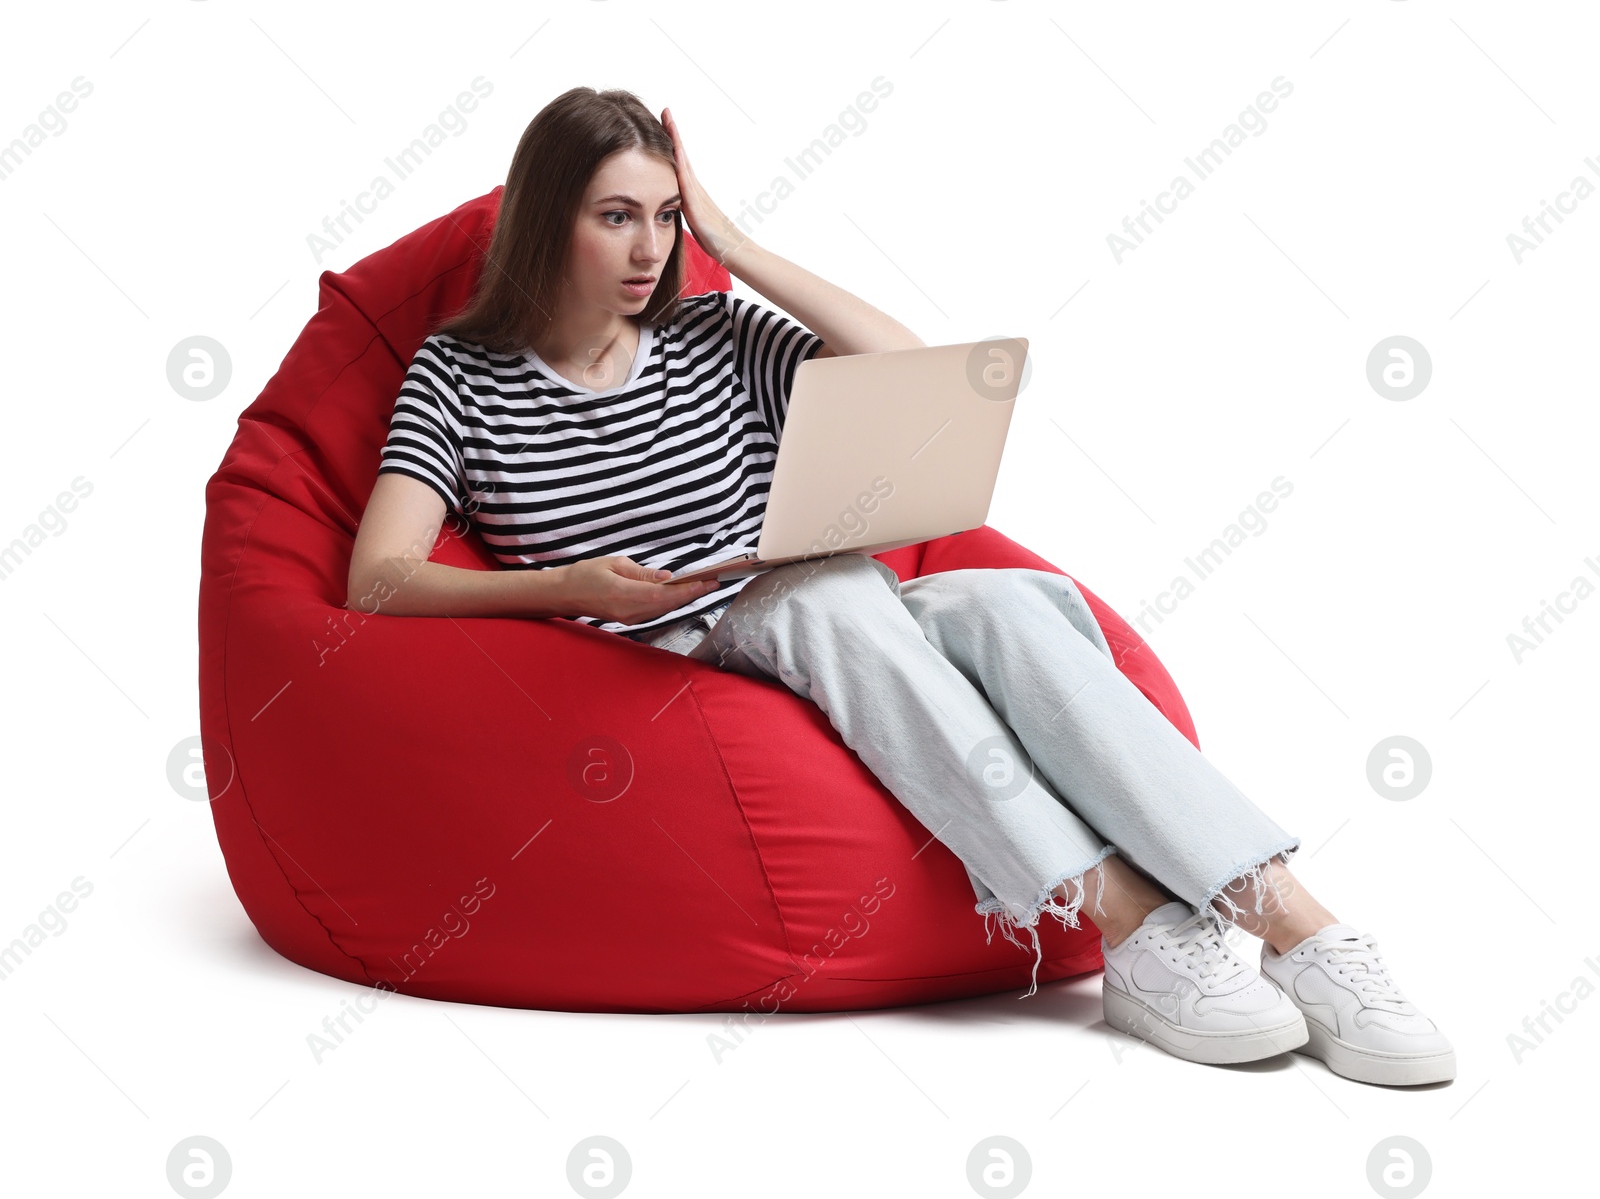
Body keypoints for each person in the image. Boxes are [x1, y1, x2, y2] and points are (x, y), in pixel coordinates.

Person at [349, 86, 1454, 1087]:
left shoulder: (708, 326)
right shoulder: (460, 377)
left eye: (666, 214)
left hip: (818, 601)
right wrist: (569, 583)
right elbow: (379, 579)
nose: (650, 247)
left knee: (1009, 604)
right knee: (829, 597)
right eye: (615, 216)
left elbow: (908, 371)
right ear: (548, 218)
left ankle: (1298, 929)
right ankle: (1127, 924)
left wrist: (735, 243)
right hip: (675, 649)